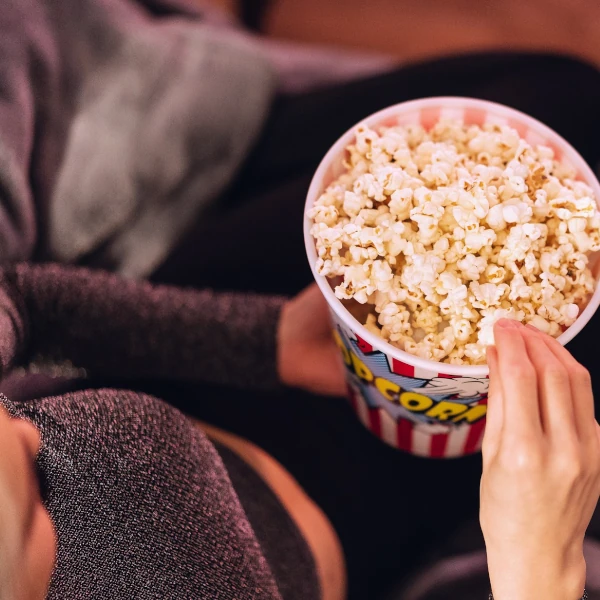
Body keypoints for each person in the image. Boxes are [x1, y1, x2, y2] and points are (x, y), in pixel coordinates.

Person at [0, 262, 599, 600]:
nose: (38, 439)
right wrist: (540, 577)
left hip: (220, 397)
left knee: (560, 91)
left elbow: (22, 299)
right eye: (28, 522)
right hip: (356, 544)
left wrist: (261, 339)